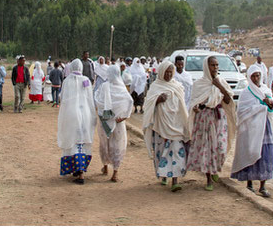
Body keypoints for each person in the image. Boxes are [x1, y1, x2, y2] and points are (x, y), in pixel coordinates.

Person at [187, 56, 237, 191]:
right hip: (204, 118)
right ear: (206, 67)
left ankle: (215, 169)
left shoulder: (221, 81)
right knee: (207, 148)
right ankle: (209, 178)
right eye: (212, 65)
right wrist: (196, 108)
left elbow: (227, 100)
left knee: (221, 146)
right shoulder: (199, 84)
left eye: (216, 65)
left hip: (218, 118)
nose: (215, 68)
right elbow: (194, 102)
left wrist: (219, 86)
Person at [143, 61, 190, 192]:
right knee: (162, 151)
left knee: (176, 150)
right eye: (166, 72)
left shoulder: (178, 86)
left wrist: (185, 124)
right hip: (160, 126)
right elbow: (147, 105)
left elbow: (182, 106)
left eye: (171, 72)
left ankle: (175, 180)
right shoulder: (155, 87)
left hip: (176, 125)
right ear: (162, 72)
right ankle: (164, 175)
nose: (169, 74)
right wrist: (157, 100)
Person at [230, 64, 273, 198]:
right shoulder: (246, 93)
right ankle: (249, 183)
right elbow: (242, 111)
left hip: (265, 128)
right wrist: (258, 108)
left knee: (266, 154)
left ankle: (263, 186)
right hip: (251, 128)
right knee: (250, 151)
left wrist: (269, 104)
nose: (256, 78)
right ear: (249, 77)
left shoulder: (266, 90)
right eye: (253, 76)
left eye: (258, 76)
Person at [57, 59, 97, 184]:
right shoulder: (86, 80)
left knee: (73, 139)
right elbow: (91, 100)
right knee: (82, 140)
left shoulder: (67, 81)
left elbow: (62, 98)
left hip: (71, 114)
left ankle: (78, 172)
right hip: (85, 114)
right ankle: (80, 170)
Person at [95, 65, 134, 182]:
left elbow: (98, 100)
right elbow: (129, 101)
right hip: (118, 123)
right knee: (117, 145)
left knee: (104, 144)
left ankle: (105, 167)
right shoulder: (122, 88)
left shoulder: (103, 87)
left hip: (105, 121)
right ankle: (115, 173)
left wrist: (106, 114)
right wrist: (123, 117)